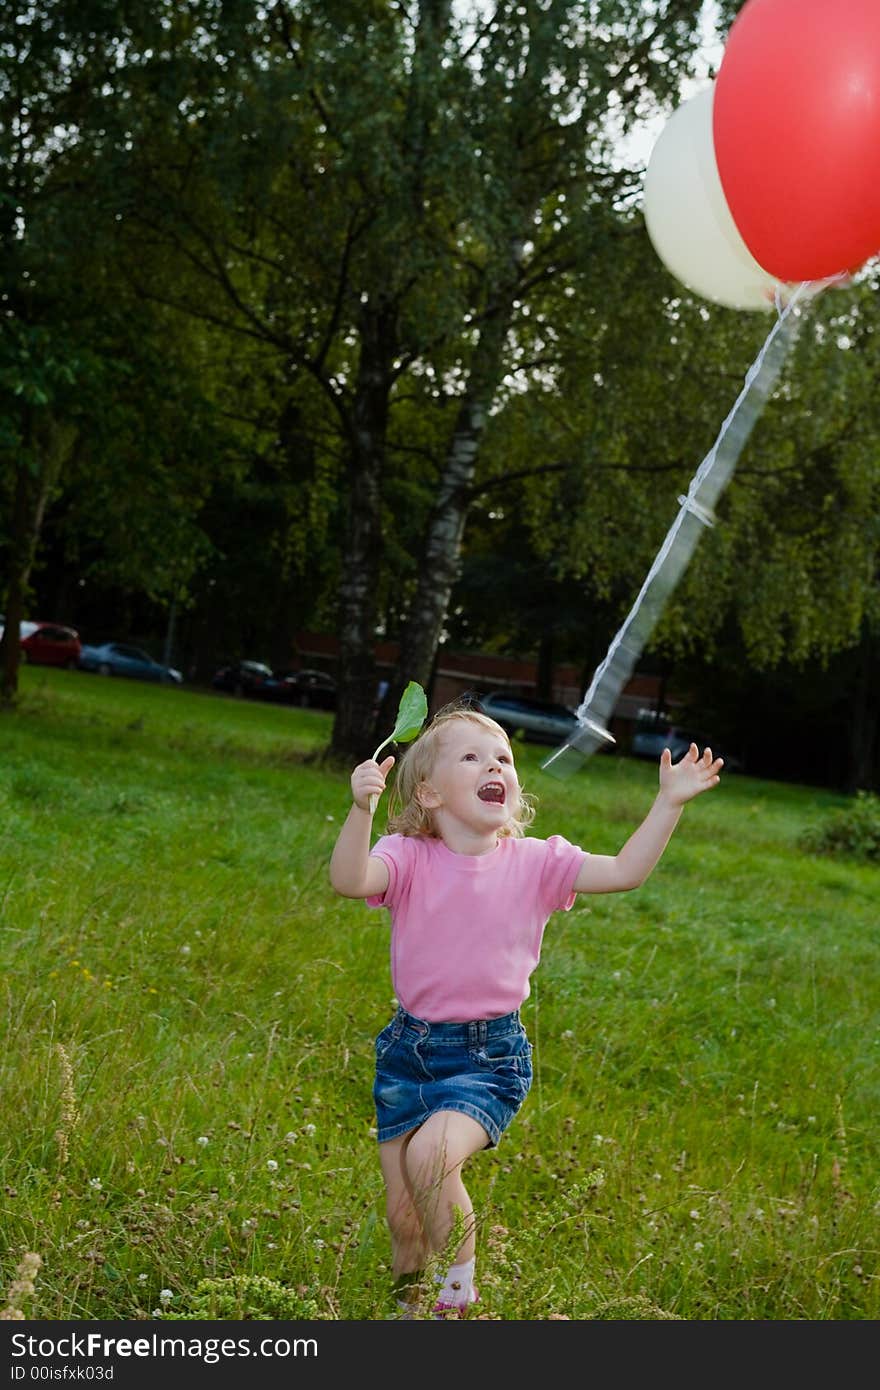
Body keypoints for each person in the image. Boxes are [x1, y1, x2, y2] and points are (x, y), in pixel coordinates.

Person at [328, 700, 723, 1318]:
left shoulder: (537, 862)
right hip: (409, 1053)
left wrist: (668, 803)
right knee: (404, 1214)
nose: (496, 765)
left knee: (433, 1158)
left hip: (487, 1056)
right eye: (472, 756)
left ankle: (456, 1296)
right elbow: (351, 880)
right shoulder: (407, 856)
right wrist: (360, 810)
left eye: (504, 758)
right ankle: (405, 1305)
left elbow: (623, 871)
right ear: (428, 792)